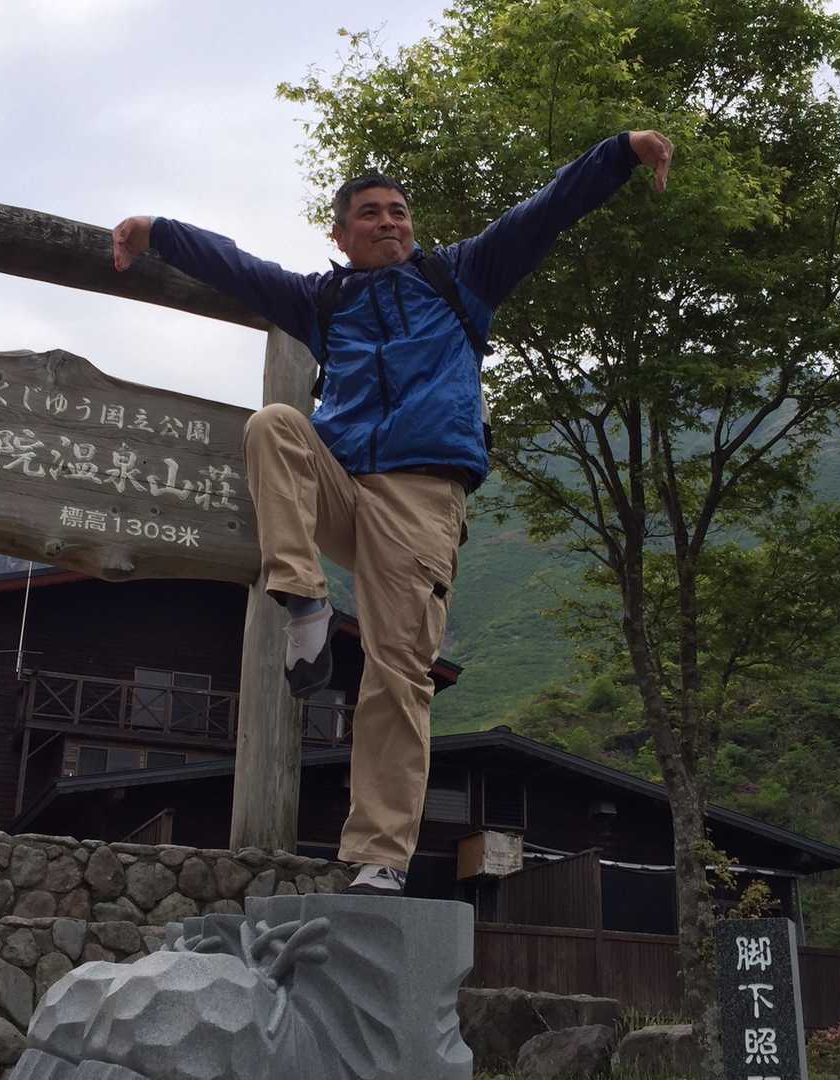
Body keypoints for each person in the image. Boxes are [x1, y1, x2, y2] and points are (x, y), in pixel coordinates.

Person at [112, 129, 673, 895]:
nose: (388, 222)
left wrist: (619, 152)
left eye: (398, 211)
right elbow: (238, 267)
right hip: (342, 486)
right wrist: (157, 231)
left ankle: (378, 855)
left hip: (419, 500)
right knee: (273, 425)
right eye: (370, 213)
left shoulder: (460, 276)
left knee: (396, 673)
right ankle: (303, 598)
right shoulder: (323, 299)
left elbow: (542, 213)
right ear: (340, 235)